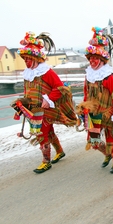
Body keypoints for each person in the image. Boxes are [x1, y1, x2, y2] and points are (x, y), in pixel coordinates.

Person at [14, 31, 77, 173]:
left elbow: (60, 87)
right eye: (24, 59)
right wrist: (22, 104)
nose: (26, 61)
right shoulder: (28, 73)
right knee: (49, 132)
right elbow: (27, 91)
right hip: (34, 110)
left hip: (46, 109)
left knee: (42, 133)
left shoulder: (46, 72)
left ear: (35, 58)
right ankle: (59, 151)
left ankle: (46, 161)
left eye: (28, 59)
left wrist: (49, 100)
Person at [80, 27, 113, 174]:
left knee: (110, 141)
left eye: (96, 58)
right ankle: (107, 154)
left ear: (102, 59)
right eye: (90, 58)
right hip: (93, 114)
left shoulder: (110, 77)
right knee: (94, 142)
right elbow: (86, 94)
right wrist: (84, 110)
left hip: (108, 114)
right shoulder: (88, 75)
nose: (92, 61)